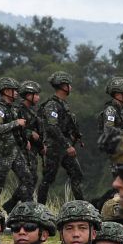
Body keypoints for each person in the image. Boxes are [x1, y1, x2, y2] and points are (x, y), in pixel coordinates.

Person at [0, 77, 36, 211]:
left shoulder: (12, 108)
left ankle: (28, 211)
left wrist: (25, 140)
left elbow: (18, 131)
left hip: (15, 151)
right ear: (6, 91)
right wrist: (16, 123)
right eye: (14, 91)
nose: (17, 93)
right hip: (4, 152)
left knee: (28, 179)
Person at [38, 71, 85, 203]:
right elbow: (52, 128)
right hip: (54, 147)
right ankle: (39, 207)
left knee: (77, 175)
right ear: (63, 86)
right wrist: (67, 145)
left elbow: (65, 125)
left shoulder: (63, 104)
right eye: (68, 85)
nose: (70, 87)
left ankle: (82, 206)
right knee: (48, 178)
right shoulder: (51, 105)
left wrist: (74, 136)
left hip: (64, 147)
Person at [17, 80, 45, 202]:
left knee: (32, 178)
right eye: (36, 94)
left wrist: (41, 146)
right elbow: (16, 128)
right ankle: (26, 205)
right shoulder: (19, 110)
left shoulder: (33, 112)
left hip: (33, 151)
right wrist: (29, 134)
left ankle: (12, 205)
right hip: (23, 149)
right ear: (28, 95)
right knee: (28, 179)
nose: (38, 97)